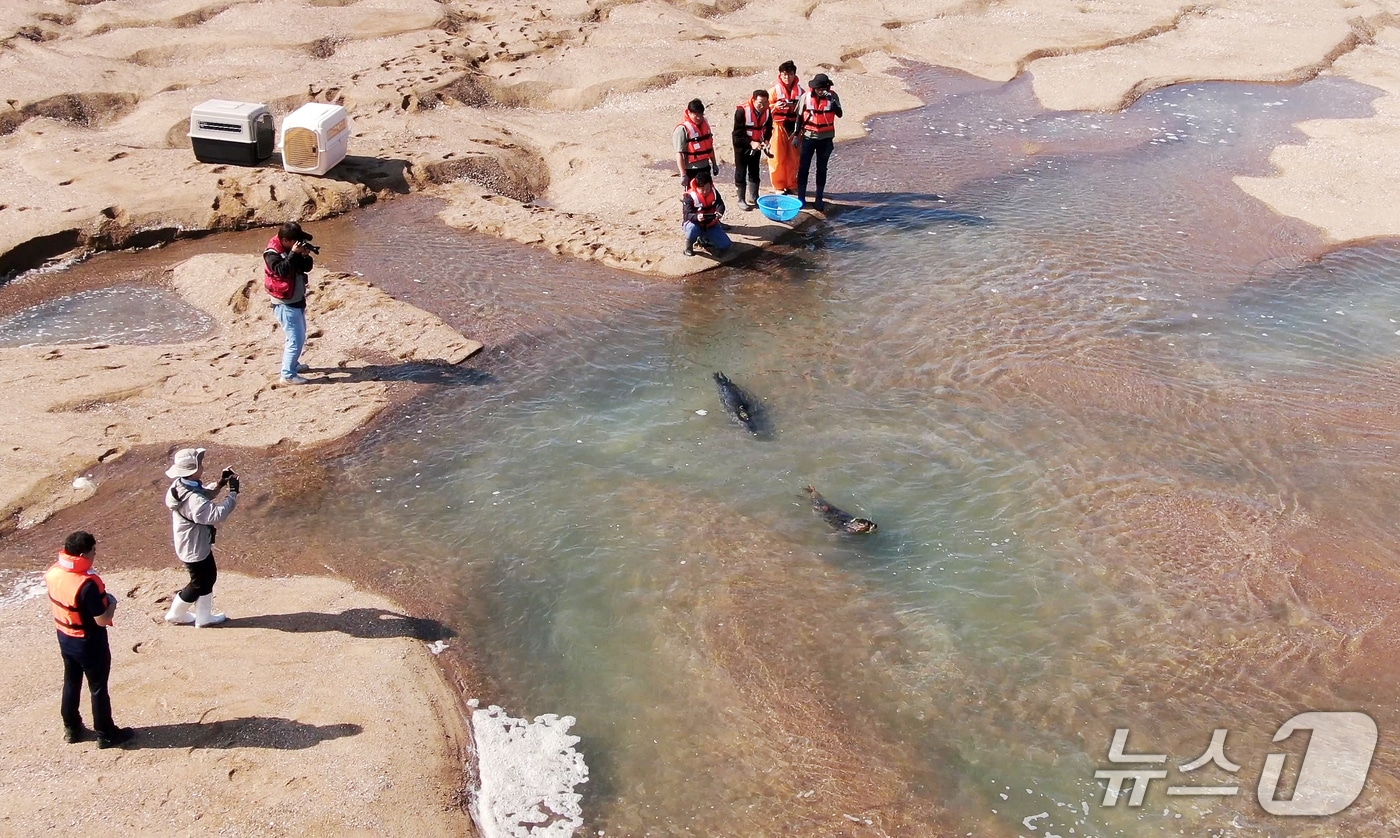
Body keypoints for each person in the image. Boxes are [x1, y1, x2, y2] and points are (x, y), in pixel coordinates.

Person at [45, 530, 134, 748]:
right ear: (84, 555)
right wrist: (112, 603)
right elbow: (102, 620)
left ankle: (72, 729)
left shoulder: (54, 572)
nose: (95, 555)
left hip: (65, 637)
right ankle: (106, 734)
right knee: (98, 687)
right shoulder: (86, 585)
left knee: (71, 681)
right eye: (94, 551)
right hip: (89, 642)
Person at [163, 447, 240, 627]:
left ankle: (203, 617)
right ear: (193, 470)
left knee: (207, 578)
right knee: (199, 583)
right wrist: (233, 493)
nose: (203, 467)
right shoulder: (192, 499)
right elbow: (216, 514)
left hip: (192, 544)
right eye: (200, 464)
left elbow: (203, 495)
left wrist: (221, 484)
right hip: (194, 548)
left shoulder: (180, 485)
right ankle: (176, 614)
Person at [264, 221, 317, 385]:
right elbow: (281, 270)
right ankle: (287, 374)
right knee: (296, 340)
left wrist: (305, 256)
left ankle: (293, 365)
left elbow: (306, 268)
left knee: (298, 336)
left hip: (296, 298)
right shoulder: (271, 254)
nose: (297, 244)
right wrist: (294, 254)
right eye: (294, 241)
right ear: (286, 240)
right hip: (284, 303)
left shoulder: (290, 248)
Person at [794, 73, 843, 212]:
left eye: (823, 88)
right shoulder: (805, 97)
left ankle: (819, 199)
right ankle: (801, 198)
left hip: (826, 139)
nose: (820, 91)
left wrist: (832, 102)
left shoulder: (833, 96)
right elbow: (798, 118)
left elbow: (839, 114)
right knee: (803, 168)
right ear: (813, 88)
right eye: (818, 89)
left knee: (822, 169)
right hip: (809, 138)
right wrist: (797, 136)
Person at [767, 61, 805, 195]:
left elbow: (806, 110)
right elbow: (763, 109)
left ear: (794, 75)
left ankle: (791, 185)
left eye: (790, 74)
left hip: (795, 128)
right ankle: (778, 186)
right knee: (777, 157)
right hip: (777, 126)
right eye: (784, 75)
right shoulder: (773, 92)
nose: (787, 78)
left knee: (794, 158)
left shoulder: (801, 92)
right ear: (780, 75)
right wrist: (775, 106)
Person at [731, 89, 773, 210]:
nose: (762, 106)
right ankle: (741, 199)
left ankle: (754, 197)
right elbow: (736, 135)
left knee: (754, 171)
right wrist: (750, 142)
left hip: (757, 145)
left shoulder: (768, 111)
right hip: (741, 146)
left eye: (765, 103)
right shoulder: (741, 112)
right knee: (741, 171)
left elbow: (769, 128)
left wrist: (766, 141)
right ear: (753, 100)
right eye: (760, 103)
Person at [681, 169, 731, 257]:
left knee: (726, 245)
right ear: (696, 187)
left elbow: (720, 204)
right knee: (692, 229)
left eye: (707, 188)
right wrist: (697, 217)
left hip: (710, 224)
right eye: (702, 189)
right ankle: (688, 247)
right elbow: (687, 214)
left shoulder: (714, 192)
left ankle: (704, 240)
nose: (705, 192)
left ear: (710, 184)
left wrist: (719, 213)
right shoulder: (689, 196)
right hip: (695, 224)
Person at [673, 98, 719, 191]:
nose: (699, 118)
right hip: (692, 170)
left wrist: (714, 164)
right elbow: (679, 154)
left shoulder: (705, 125)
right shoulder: (682, 130)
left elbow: (709, 146)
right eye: (696, 115)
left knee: (708, 192)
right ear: (689, 113)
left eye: (701, 115)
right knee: (693, 195)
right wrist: (683, 174)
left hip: (705, 167)